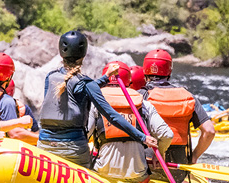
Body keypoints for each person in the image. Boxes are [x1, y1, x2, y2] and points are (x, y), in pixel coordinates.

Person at [38, 30, 157, 168]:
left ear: (61, 52)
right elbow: (111, 116)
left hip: (44, 145)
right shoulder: (86, 83)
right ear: (83, 54)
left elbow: (81, 88)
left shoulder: (50, 77)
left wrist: (106, 77)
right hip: (72, 149)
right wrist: (143, 137)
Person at [88, 61, 173, 183]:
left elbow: (84, 134)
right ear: (130, 83)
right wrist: (160, 153)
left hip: (103, 174)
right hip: (137, 175)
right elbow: (167, 135)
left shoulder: (94, 104)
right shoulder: (144, 105)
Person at [140, 49, 215, 183]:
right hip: (177, 169)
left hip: (149, 165)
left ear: (145, 71)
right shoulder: (188, 96)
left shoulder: (140, 96)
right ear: (169, 71)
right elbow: (209, 131)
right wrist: (194, 156)